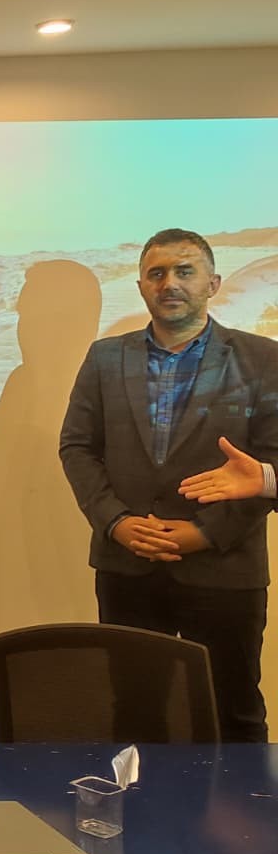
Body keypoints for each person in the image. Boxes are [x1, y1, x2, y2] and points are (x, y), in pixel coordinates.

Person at [59, 228, 278, 742]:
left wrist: (205, 533)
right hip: (127, 567)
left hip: (225, 569)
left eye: (184, 271)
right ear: (141, 287)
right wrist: (116, 522)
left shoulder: (263, 359)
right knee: (134, 712)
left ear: (213, 284)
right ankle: (139, 799)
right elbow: (77, 447)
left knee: (233, 713)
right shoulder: (105, 358)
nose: (169, 283)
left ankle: (240, 800)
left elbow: (267, 466)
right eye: (156, 274)